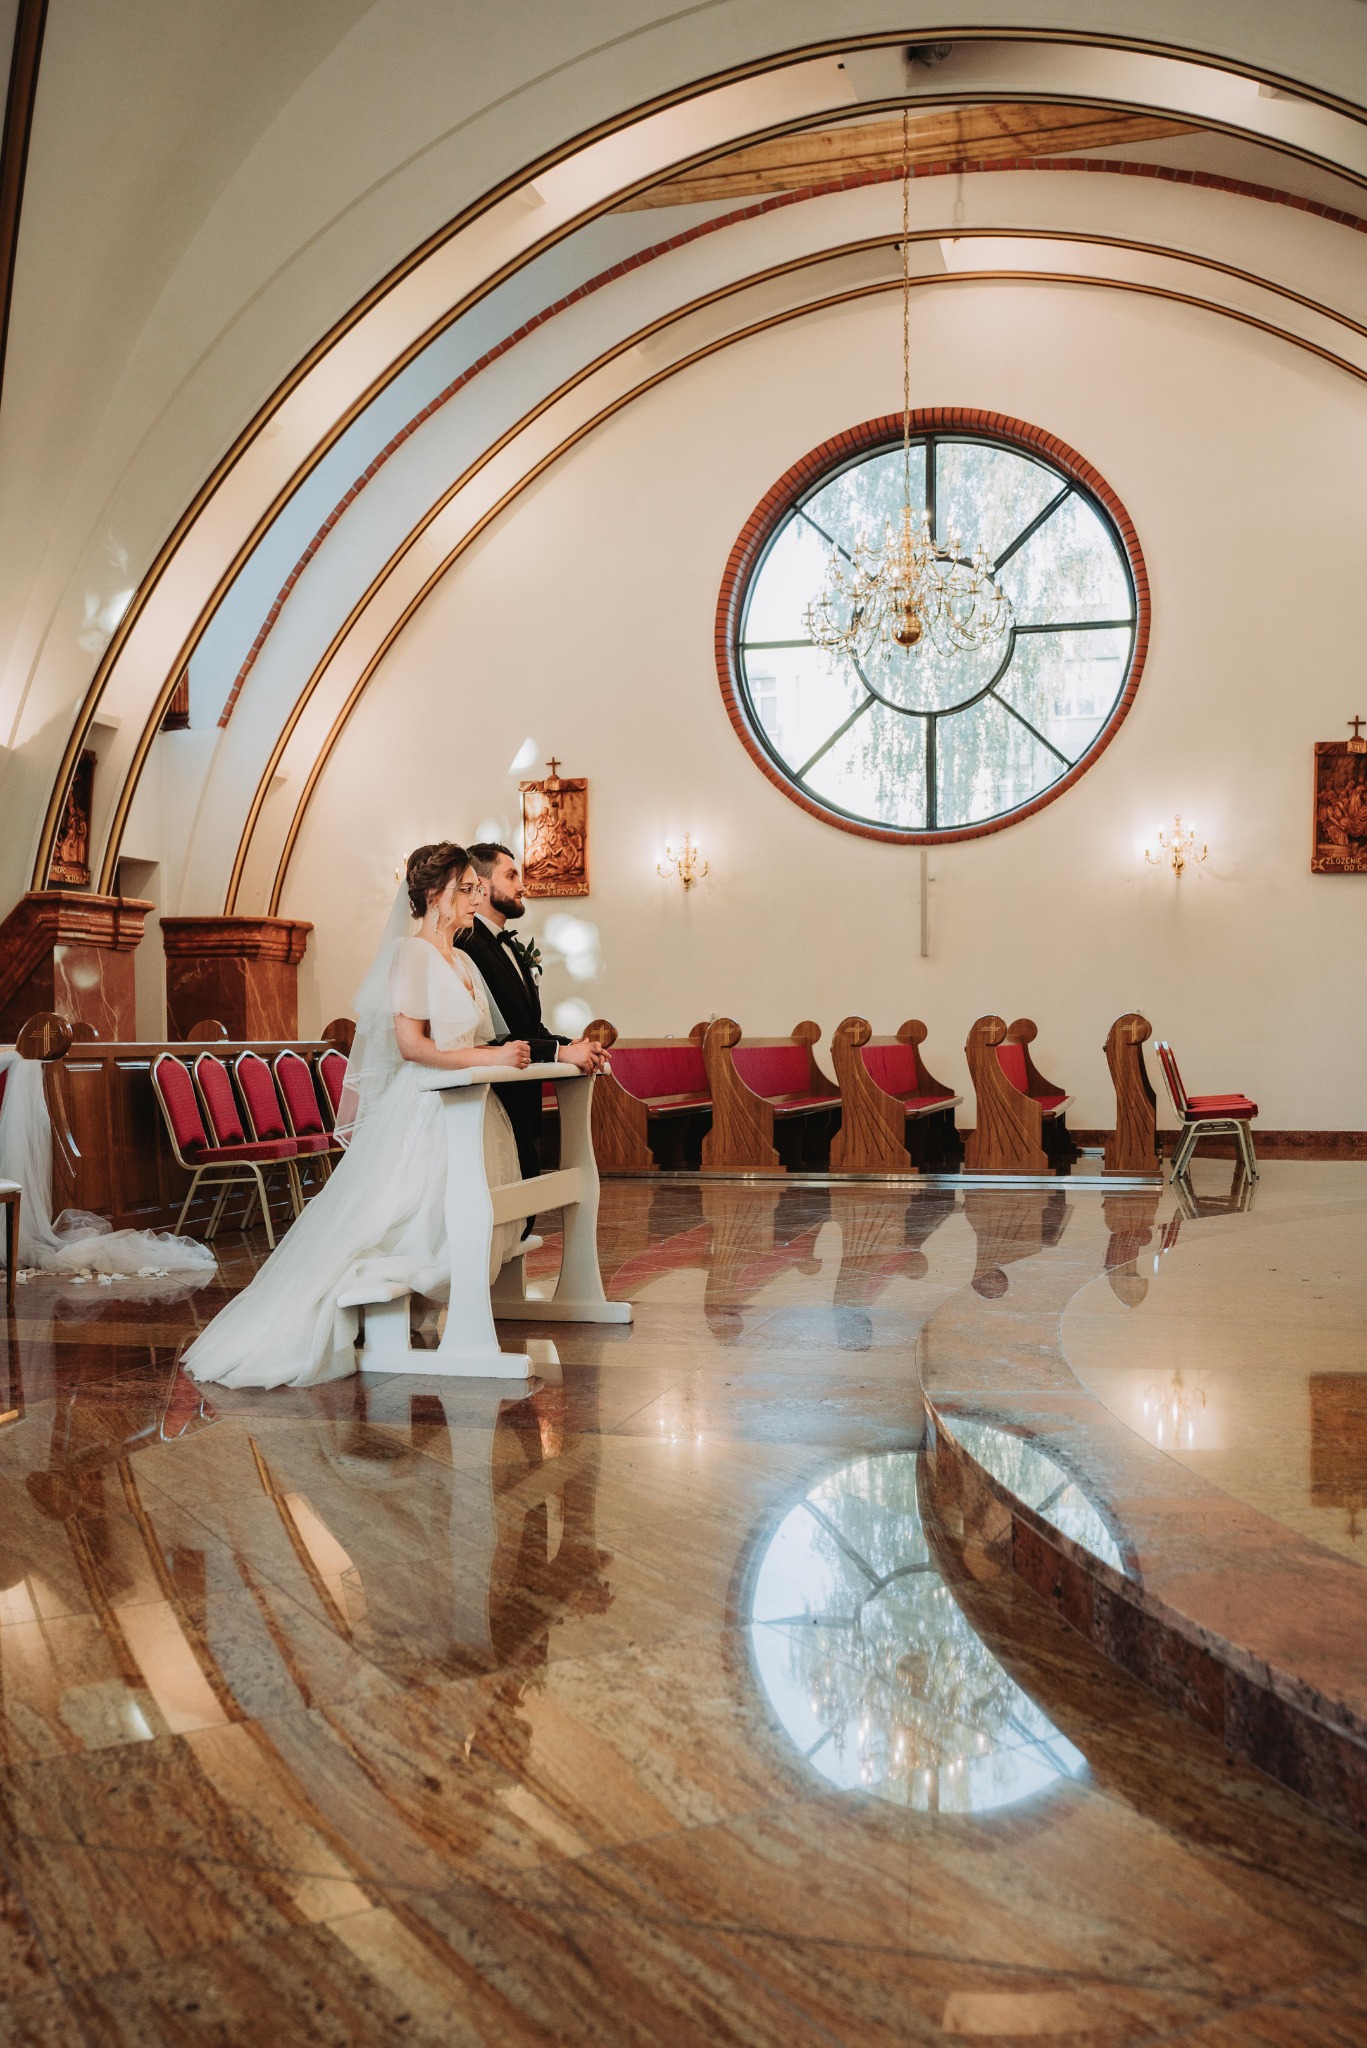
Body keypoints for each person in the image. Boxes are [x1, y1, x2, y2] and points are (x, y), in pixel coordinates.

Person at [183, 843, 530, 1389]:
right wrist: (490, 1059)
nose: (474, 898)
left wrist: (495, 1056)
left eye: (476, 888)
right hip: (426, 1106)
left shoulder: (461, 959)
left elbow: (470, 1039)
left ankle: (449, 1320)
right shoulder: (410, 954)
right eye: (466, 889)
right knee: (404, 1216)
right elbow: (412, 1046)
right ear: (434, 896)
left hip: (467, 1105)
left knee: (460, 1215)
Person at [458, 842, 604, 1181]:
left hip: (524, 1095)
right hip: (494, 1098)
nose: (522, 886)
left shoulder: (508, 944)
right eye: (511, 876)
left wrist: (570, 1044)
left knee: (527, 1195)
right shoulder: (467, 945)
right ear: (481, 885)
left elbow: (528, 1026)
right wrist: (560, 1053)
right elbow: (491, 1035)